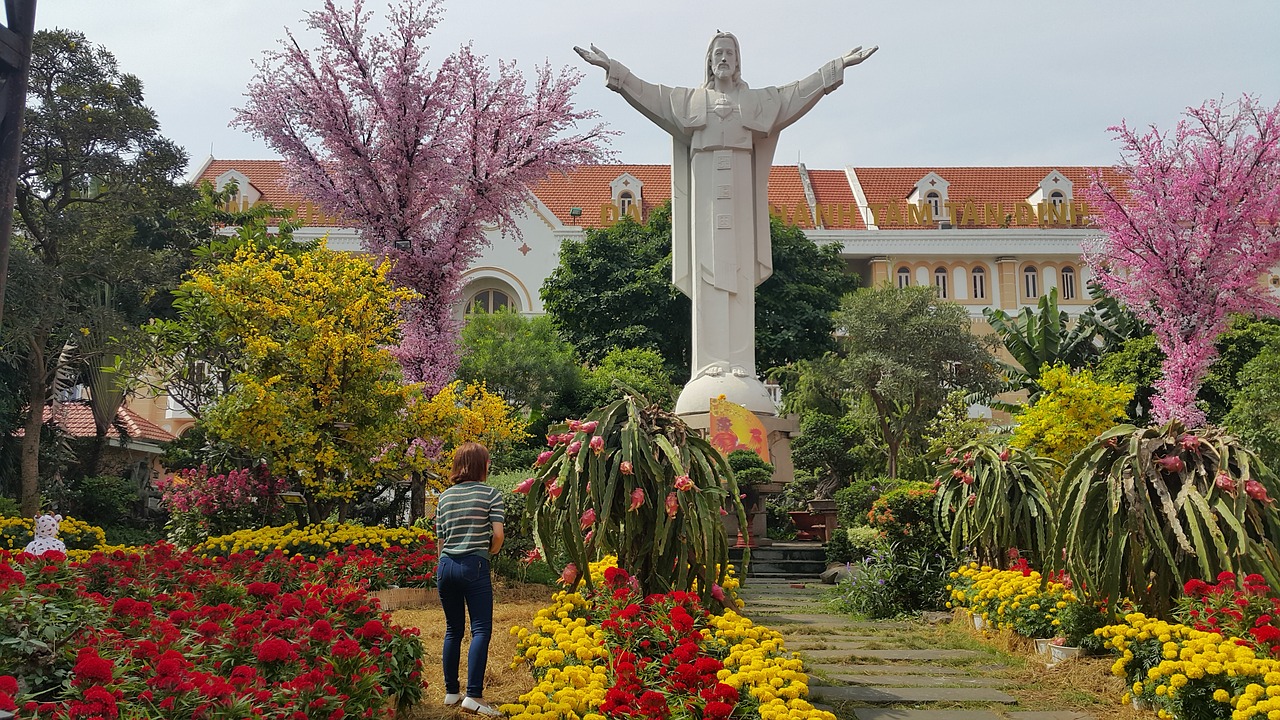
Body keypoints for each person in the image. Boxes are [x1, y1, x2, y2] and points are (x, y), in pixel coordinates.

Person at [575, 33, 876, 414]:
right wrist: (615, 70)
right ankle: (707, 368)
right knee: (707, 279)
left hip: (740, 204)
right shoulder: (690, 101)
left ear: (739, 61)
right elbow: (649, 94)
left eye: (730, 53)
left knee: (739, 279)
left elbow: (793, 95)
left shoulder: (755, 102)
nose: (724, 58)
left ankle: (741, 369)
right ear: (709, 61)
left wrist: (835, 68)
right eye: (718, 53)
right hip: (704, 203)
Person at [435, 442, 505, 716]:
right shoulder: (491, 494)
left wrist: (444, 563)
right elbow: (497, 535)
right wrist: (489, 551)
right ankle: (474, 696)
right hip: (473, 565)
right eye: (487, 461)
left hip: (445, 567)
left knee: (453, 630)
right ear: (481, 465)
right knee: (481, 630)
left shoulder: (445, 497)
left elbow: (440, 541)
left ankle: (451, 692)